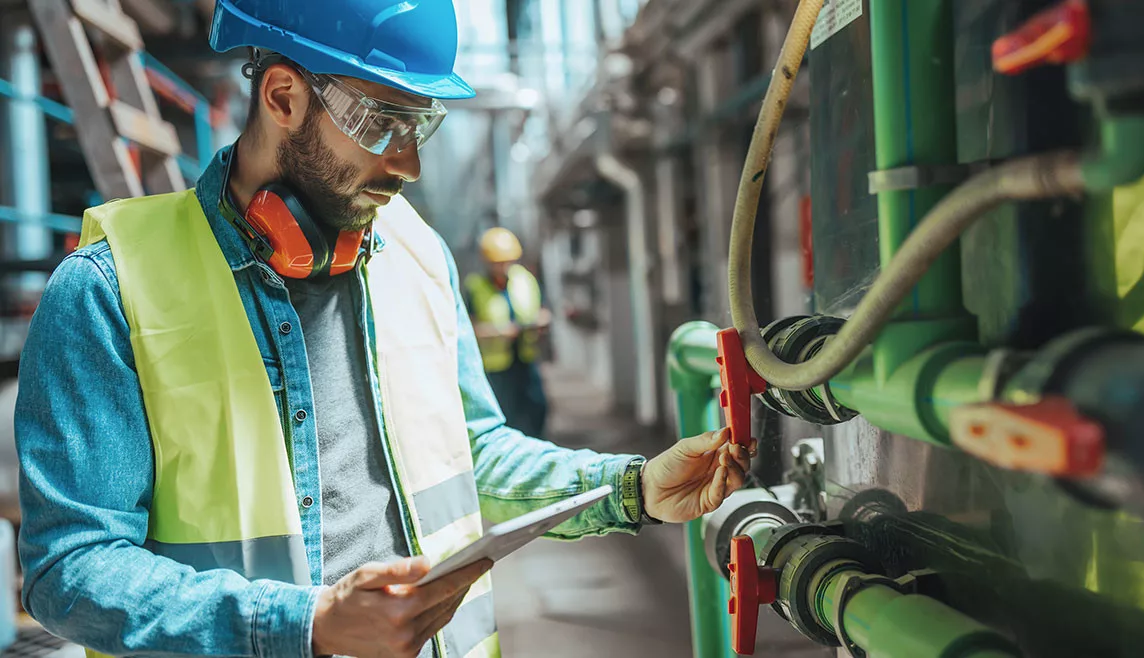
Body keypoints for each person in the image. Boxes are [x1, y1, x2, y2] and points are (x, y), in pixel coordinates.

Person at [13, 1, 755, 658]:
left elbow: (474, 457)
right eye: (382, 123)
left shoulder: (418, 253)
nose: (409, 163)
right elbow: (70, 567)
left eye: (421, 123)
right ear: (282, 96)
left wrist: (627, 488)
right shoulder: (109, 290)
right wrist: (305, 627)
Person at [464, 228, 550, 438]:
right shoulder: (475, 287)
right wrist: (499, 332)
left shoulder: (525, 280)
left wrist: (539, 322)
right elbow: (467, 329)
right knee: (506, 417)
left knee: (537, 409)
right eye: (497, 263)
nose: (503, 267)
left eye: (507, 261)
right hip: (496, 367)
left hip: (525, 360)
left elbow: (543, 310)